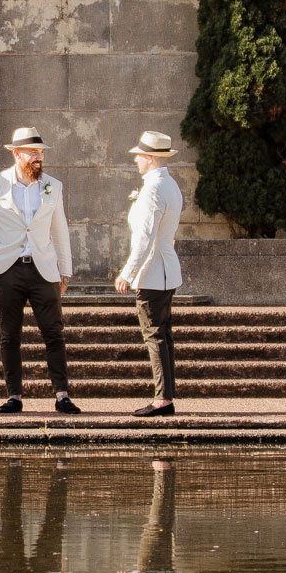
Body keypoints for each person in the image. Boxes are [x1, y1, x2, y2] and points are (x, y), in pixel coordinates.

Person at [0, 127, 80, 414]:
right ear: (17, 154)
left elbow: (60, 229)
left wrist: (65, 269)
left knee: (54, 333)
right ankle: (14, 395)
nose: (39, 157)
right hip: (8, 269)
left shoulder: (53, 185)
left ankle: (62, 395)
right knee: (9, 334)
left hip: (44, 270)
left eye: (41, 153)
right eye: (33, 153)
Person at [114, 131, 184, 417]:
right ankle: (166, 394)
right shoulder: (170, 184)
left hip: (153, 271)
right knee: (163, 335)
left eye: (139, 156)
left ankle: (162, 399)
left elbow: (144, 237)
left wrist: (127, 273)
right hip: (167, 269)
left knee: (155, 334)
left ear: (151, 158)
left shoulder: (153, 189)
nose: (136, 160)